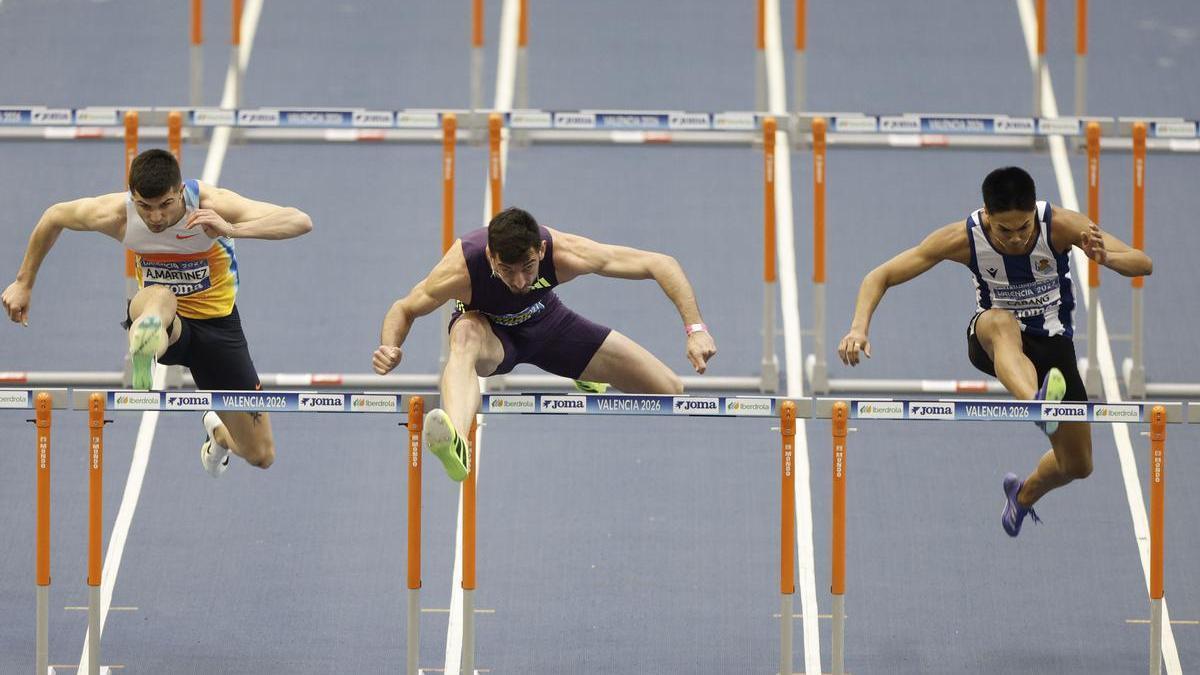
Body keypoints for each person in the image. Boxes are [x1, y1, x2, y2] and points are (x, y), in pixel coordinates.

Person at [836, 166, 1152, 537]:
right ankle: (1036, 404)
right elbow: (880, 276)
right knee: (1001, 323)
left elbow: (1142, 262)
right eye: (1005, 230)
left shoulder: (1062, 225)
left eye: (1024, 227)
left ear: (1034, 211)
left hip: (1053, 347)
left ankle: (1023, 494)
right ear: (987, 216)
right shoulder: (962, 238)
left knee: (1078, 465)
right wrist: (858, 327)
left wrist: (1109, 259)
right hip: (991, 337)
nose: (1017, 238)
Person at [2, 149, 313, 477]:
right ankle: (144, 344)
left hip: (219, 329)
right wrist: (24, 283)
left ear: (180, 191)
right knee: (160, 299)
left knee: (261, 454)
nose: (155, 218)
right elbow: (54, 216)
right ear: (132, 197)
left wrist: (231, 228)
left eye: (165, 205)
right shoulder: (119, 215)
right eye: (145, 207)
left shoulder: (210, 204)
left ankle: (218, 432)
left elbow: (299, 220)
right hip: (163, 318)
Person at [372, 206, 718, 481]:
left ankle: (586, 373)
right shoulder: (460, 267)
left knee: (669, 390)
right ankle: (458, 443)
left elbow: (660, 264)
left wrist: (696, 329)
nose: (520, 280)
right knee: (463, 335)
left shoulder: (567, 252)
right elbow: (404, 308)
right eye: (508, 270)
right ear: (491, 257)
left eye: (528, 267)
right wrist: (391, 345)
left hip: (550, 326)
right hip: (492, 337)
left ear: (541, 249)